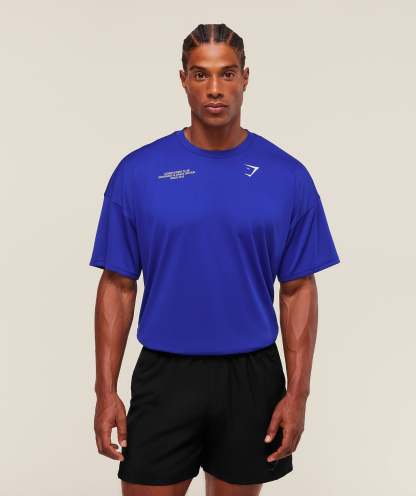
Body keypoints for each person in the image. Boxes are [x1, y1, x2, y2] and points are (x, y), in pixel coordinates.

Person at [89, 23, 340, 496]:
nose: (215, 88)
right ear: (183, 80)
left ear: (245, 77)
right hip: (165, 375)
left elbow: (297, 288)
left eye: (226, 73)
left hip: (251, 376)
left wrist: (298, 393)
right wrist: (105, 392)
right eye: (201, 75)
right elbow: (118, 285)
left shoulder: (287, 176)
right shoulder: (138, 172)